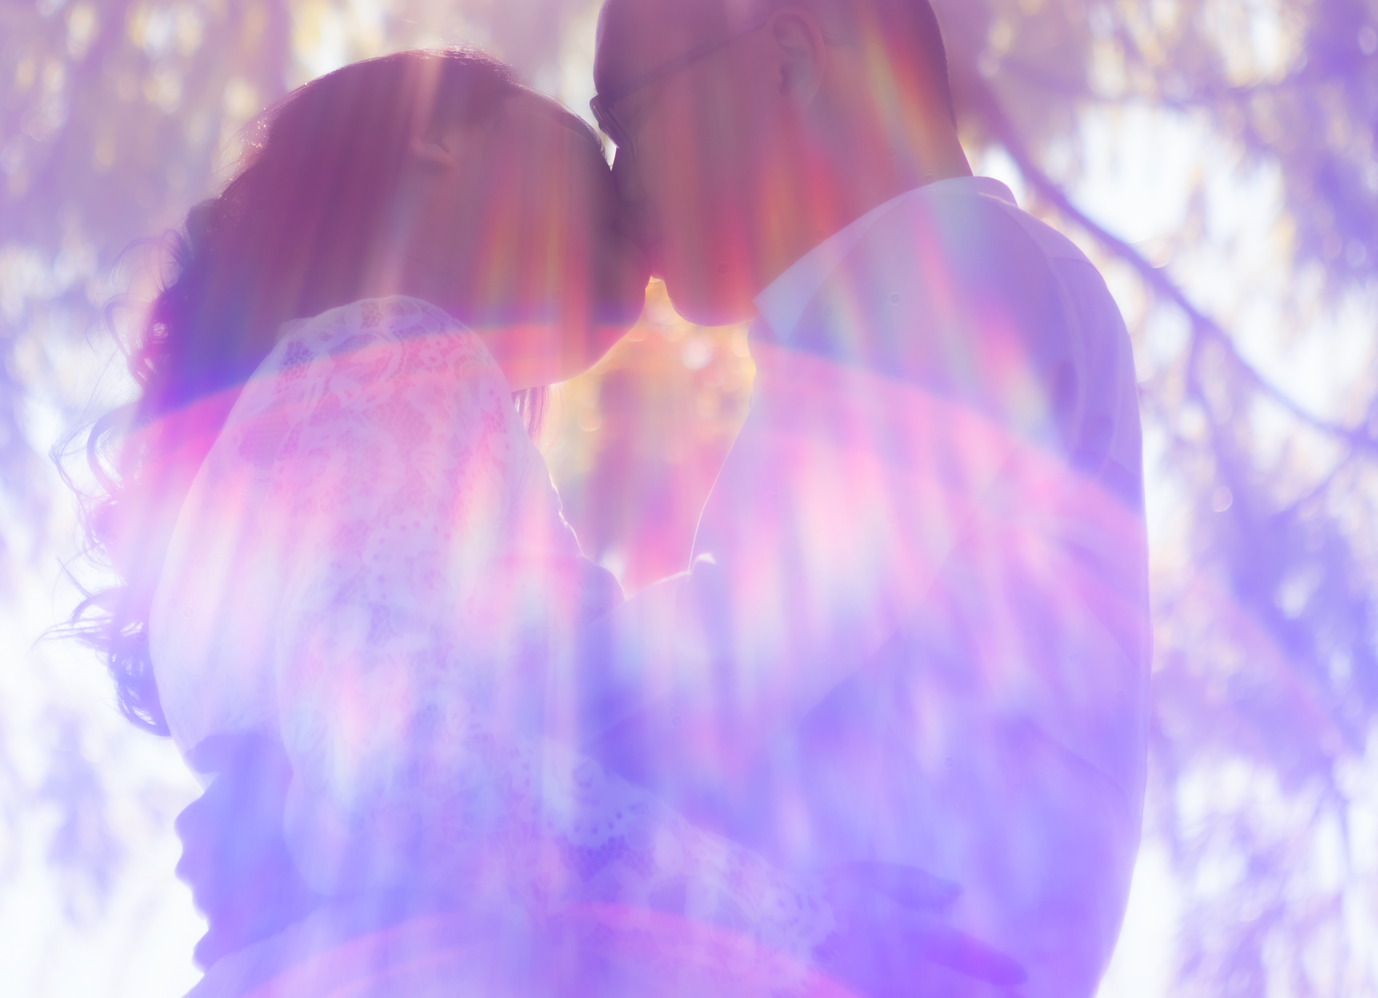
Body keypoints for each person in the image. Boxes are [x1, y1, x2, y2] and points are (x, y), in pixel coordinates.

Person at [77, 49, 850, 996]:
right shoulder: (395, 364)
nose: (624, 174)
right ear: (437, 136)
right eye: (585, 128)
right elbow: (403, 758)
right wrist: (800, 924)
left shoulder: (294, 438)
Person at [579, 0, 1148, 994]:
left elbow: (754, 640)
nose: (615, 182)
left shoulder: (958, 268)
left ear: (787, 60)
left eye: (627, 120)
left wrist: (461, 667)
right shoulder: (871, 328)